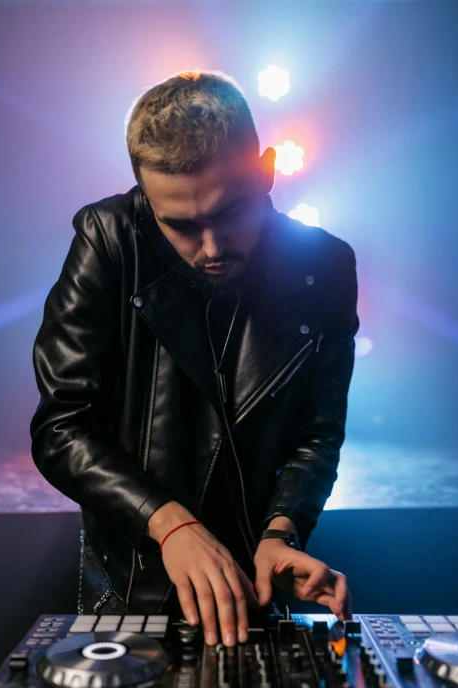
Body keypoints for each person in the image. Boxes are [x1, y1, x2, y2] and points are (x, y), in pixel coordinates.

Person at [30, 70, 358, 647]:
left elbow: (318, 429)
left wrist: (283, 532)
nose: (210, 248)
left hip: (259, 591)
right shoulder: (109, 238)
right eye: (179, 225)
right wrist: (170, 522)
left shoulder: (326, 266)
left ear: (268, 172)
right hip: (133, 588)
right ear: (142, 191)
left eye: (230, 213)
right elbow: (62, 425)